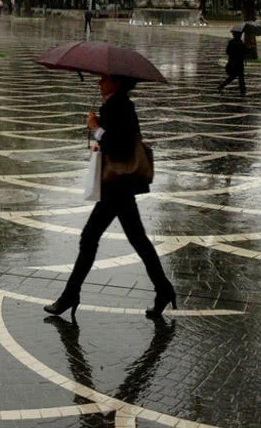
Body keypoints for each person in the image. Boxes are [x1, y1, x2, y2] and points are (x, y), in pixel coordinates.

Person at [44, 74, 176, 322]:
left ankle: (71, 295)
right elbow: (114, 140)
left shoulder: (121, 107)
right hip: (119, 186)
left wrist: (96, 129)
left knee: (90, 238)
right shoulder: (117, 105)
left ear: (116, 82)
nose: (99, 82)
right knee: (136, 239)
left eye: (104, 78)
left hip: (117, 186)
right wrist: (98, 131)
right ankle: (164, 289)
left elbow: (120, 146)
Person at [217, 29, 247, 95]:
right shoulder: (241, 43)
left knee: (234, 76)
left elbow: (227, 51)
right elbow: (244, 53)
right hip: (239, 62)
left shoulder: (231, 42)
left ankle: (222, 85)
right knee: (239, 76)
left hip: (232, 62)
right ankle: (242, 89)